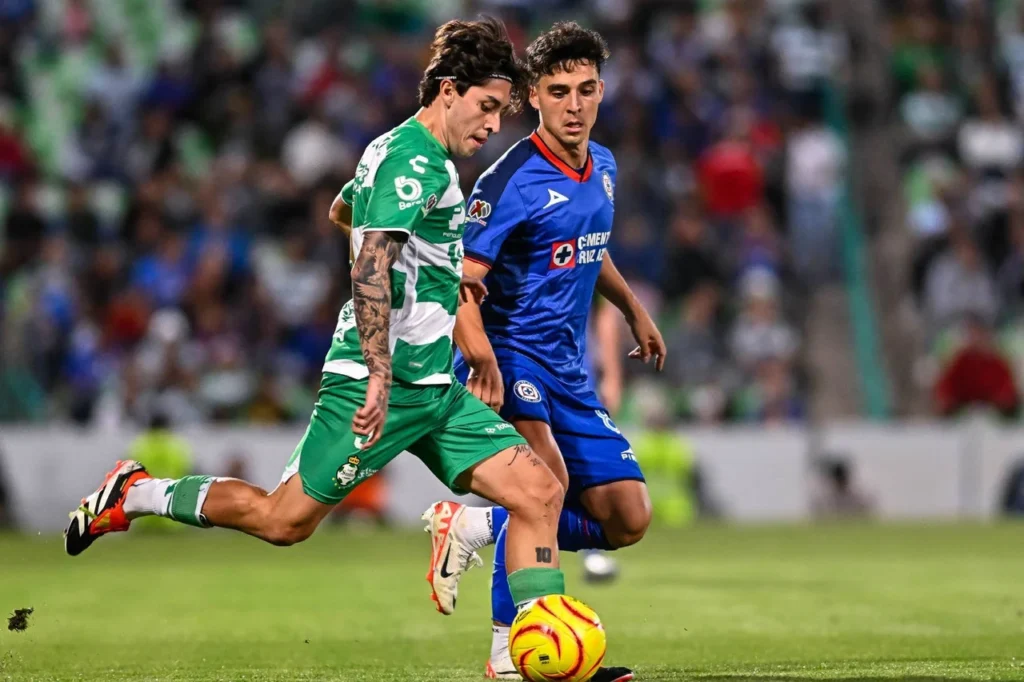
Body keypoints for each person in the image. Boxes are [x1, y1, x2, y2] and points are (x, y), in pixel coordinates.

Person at [65, 17, 570, 621]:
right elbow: (369, 269)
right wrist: (380, 372)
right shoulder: (415, 163)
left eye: (500, 112)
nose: (492, 125)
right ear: (447, 90)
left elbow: (344, 212)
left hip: (435, 388)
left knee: (539, 493)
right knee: (283, 521)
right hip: (373, 382)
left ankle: (523, 657)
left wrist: (437, 281)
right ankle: (137, 492)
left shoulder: (399, 152)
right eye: (486, 107)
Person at [426, 22, 665, 682]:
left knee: (628, 517)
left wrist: (632, 308)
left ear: (602, 91)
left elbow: (591, 245)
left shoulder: (605, 167)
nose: (574, 105)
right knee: (545, 486)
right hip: (511, 357)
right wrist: (482, 360)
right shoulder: (509, 182)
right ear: (533, 96)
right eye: (559, 91)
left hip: (569, 369)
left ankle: (478, 526)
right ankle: (513, 656)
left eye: (586, 90)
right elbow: (460, 281)